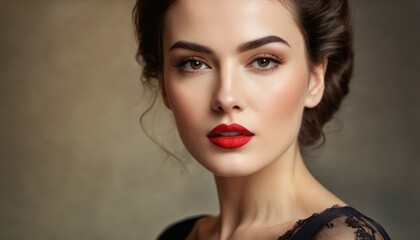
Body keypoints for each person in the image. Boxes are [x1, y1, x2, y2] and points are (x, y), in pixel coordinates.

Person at [133, 0, 391, 239]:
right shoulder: (178, 235)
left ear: (315, 79)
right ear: (164, 85)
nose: (226, 97)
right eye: (193, 64)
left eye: (263, 61)